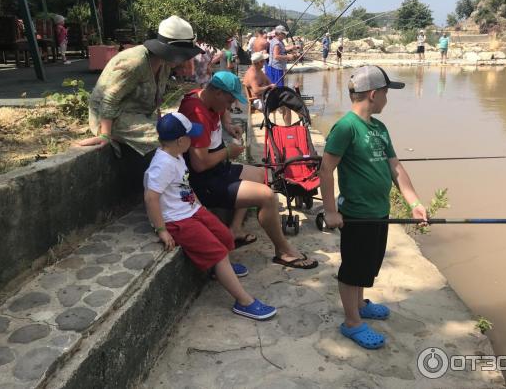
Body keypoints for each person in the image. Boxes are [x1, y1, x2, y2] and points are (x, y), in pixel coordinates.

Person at [319, 65, 427, 350]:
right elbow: (326, 170)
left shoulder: (380, 128)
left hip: (379, 211)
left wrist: (414, 202)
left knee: (369, 262)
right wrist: (331, 211)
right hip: (356, 213)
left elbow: (396, 167)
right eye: (386, 93)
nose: (387, 100)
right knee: (353, 268)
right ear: (374, 94)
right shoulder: (346, 127)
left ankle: (360, 303)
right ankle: (352, 322)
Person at [144, 112, 277, 320]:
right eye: (190, 136)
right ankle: (244, 301)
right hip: (177, 220)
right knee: (218, 252)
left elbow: (184, 185)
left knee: (224, 235)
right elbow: (151, 198)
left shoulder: (176, 155)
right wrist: (162, 230)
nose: (194, 140)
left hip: (191, 210)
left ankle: (221, 270)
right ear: (180, 141)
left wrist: (199, 206)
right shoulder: (162, 165)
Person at [179, 71, 317, 269]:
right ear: (218, 93)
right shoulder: (196, 114)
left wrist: (227, 124)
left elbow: (221, 110)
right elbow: (199, 164)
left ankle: (234, 230)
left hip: (219, 169)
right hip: (205, 181)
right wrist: (228, 152)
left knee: (260, 175)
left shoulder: (204, 96)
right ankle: (283, 251)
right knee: (267, 196)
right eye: (229, 100)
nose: (231, 106)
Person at [80, 15, 204, 156]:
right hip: (112, 116)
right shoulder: (135, 62)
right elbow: (110, 99)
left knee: (178, 131)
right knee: (169, 139)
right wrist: (104, 135)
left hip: (139, 113)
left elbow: (155, 99)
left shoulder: (164, 64)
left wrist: (160, 122)